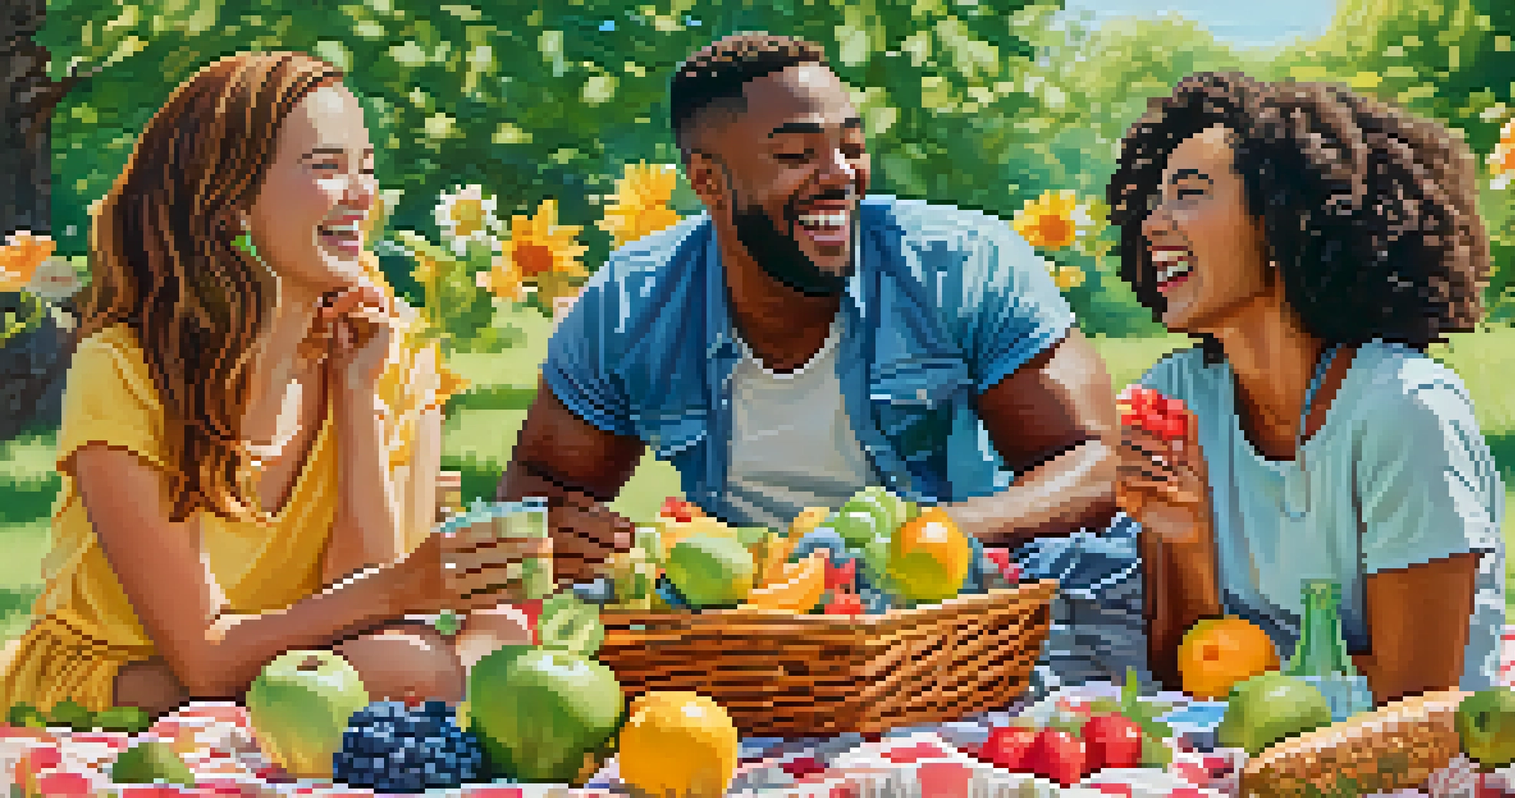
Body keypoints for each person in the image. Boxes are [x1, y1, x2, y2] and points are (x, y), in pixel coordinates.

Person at [498, 34, 1146, 691]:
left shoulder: (962, 265)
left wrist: (921, 536)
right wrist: (565, 535)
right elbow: (539, 486)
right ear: (708, 181)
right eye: (796, 154)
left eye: (852, 146)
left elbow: (1097, 466)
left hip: (953, 631)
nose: (839, 173)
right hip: (756, 647)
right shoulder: (632, 305)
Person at [0, 52, 544, 720]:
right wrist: (409, 588)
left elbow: (364, 601)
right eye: (325, 167)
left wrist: (356, 396)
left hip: (311, 657)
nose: (360, 195)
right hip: (132, 673)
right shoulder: (126, 367)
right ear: (228, 202)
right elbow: (202, 658)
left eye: (365, 168)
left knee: (487, 640)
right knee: (415, 667)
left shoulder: (389, 350)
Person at [1106, 72, 1506, 703]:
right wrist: (1185, 541)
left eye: (1187, 194)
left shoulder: (1403, 410)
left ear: (1282, 219)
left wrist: (1248, 687)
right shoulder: (1178, 396)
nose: (1153, 223)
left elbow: (1419, 692)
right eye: (1154, 200)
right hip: (1251, 744)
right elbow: (1180, 672)